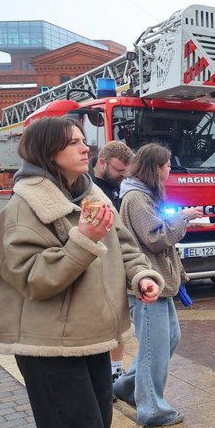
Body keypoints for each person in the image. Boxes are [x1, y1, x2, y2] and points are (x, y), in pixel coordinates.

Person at [0, 116, 162, 428]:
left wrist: (140, 277)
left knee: (94, 426)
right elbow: (33, 278)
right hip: (46, 343)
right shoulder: (25, 205)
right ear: (48, 154)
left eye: (84, 140)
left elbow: (126, 248)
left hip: (92, 333)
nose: (86, 149)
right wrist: (81, 240)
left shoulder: (94, 194)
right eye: (73, 143)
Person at [113, 143, 202, 427]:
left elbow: (155, 230)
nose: (170, 170)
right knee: (155, 346)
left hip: (157, 281)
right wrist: (183, 217)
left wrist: (182, 222)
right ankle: (153, 409)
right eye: (166, 165)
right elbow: (155, 237)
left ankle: (128, 386)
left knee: (167, 339)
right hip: (148, 283)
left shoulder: (140, 195)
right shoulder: (137, 198)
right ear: (155, 168)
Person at [91, 141, 135, 386]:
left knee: (117, 322)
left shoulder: (116, 185)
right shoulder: (87, 187)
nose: (122, 176)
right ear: (102, 162)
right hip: (96, 263)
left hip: (115, 262)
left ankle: (115, 371)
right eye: (119, 171)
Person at [91, 141, 133, 210]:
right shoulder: (83, 186)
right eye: (120, 171)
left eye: (126, 172)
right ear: (102, 163)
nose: (124, 176)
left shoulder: (120, 183)